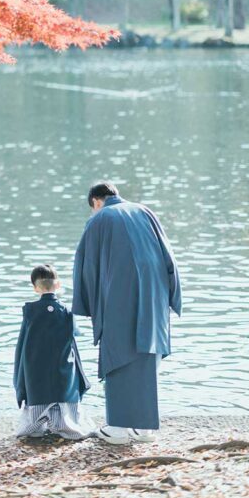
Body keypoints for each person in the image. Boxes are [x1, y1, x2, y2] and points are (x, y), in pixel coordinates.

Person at [72, 181, 182, 446]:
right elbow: (169, 257)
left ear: (96, 201)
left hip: (120, 297)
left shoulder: (99, 219)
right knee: (146, 356)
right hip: (154, 294)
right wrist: (171, 295)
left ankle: (119, 427)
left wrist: (86, 305)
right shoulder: (145, 212)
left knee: (119, 353)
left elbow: (86, 267)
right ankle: (144, 429)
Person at [13, 263, 93, 440]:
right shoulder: (66, 310)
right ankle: (65, 425)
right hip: (62, 370)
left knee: (38, 401)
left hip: (36, 370)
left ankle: (36, 425)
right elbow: (73, 337)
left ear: (35, 288)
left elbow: (23, 344)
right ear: (58, 285)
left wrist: (21, 373)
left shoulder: (30, 311)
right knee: (63, 389)